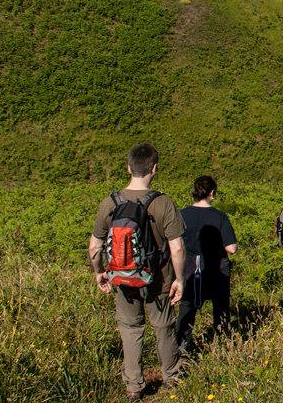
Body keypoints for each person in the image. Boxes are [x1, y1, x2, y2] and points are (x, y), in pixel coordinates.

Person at [88, 143, 186, 402]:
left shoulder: (110, 202)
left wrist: (100, 273)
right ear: (155, 169)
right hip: (159, 276)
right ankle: (172, 377)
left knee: (130, 329)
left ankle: (133, 385)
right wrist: (180, 279)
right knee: (163, 325)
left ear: (128, 167)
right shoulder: (164, 202)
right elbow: (176, 247)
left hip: (121, 276)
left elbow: (94, 247)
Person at [177, 175, 238, 350]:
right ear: (212, 193)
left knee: (188, 306)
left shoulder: (182, 214)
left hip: (189, 267)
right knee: (220, 306)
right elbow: (231, 248)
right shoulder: (219, 216)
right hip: (216, 268)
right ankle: (222, 342)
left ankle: (182, 343)